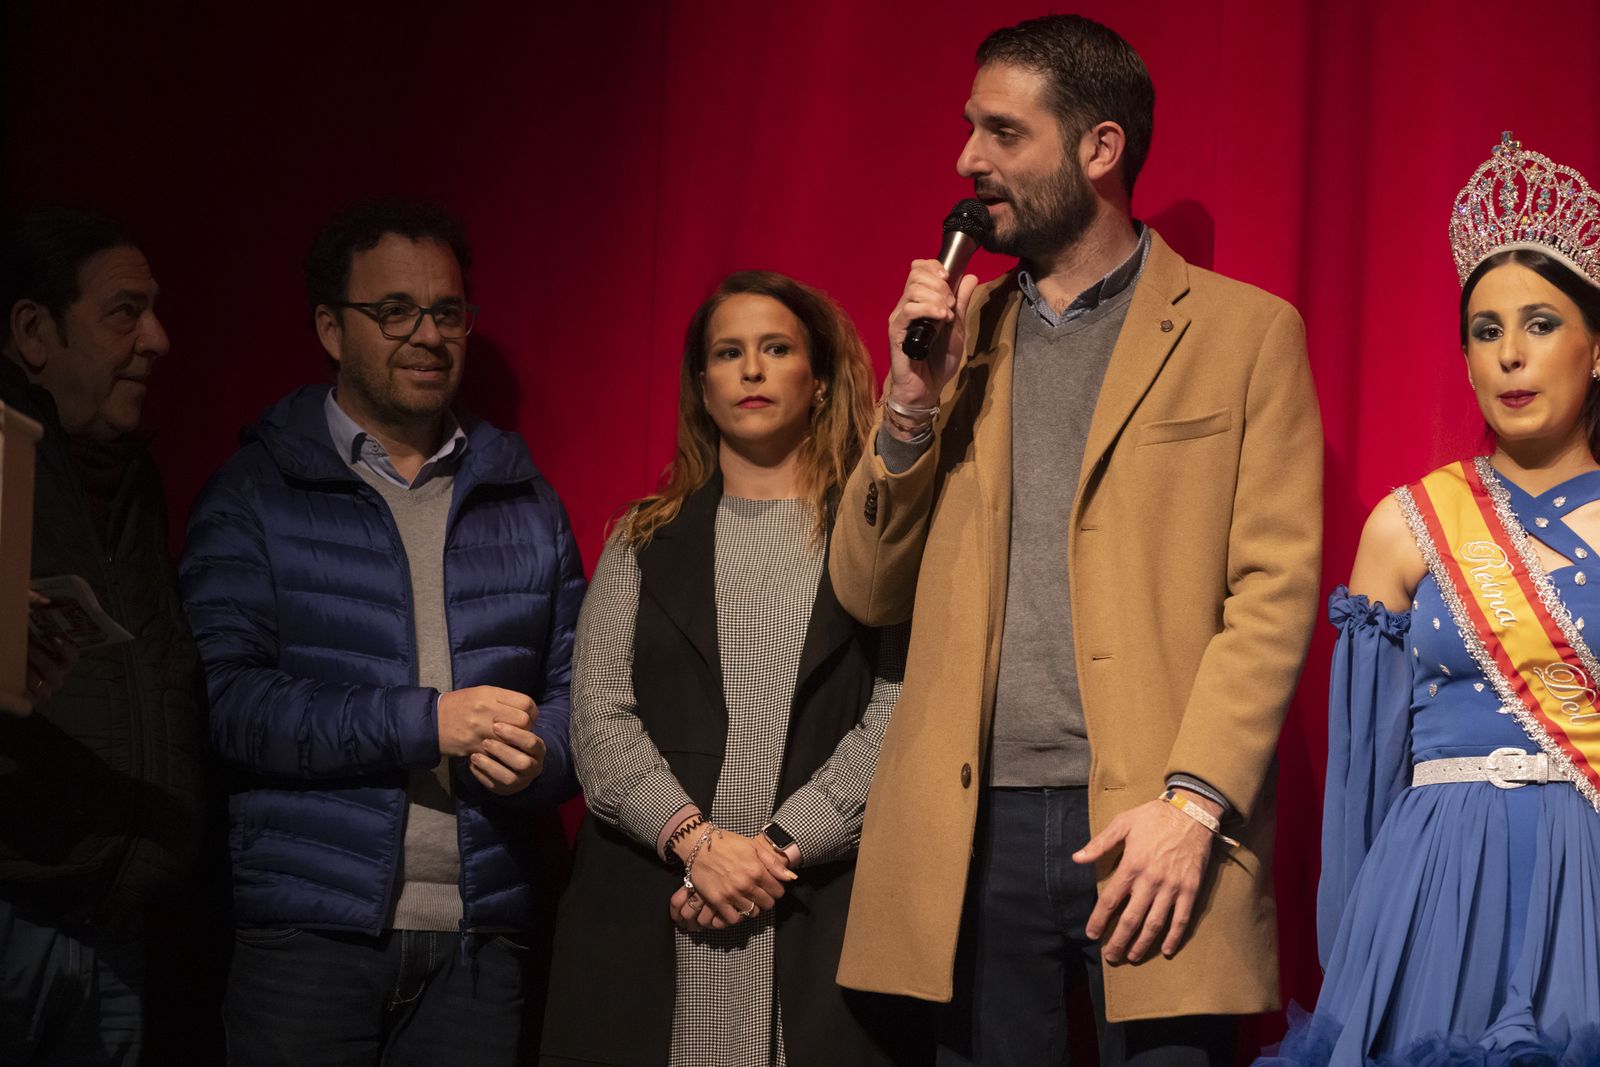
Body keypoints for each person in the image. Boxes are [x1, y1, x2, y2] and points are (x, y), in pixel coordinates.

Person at [826, 14, 1324, 1066]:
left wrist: (1194, 804)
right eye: (969, 130)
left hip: (1153, 822)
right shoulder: (963, 337)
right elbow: (868, 591)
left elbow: (1273, 589)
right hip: (972, 835)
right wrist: (909, 409)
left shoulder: (1244, 332)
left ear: (1099, 149)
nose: (968, 159)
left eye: (1003, 133)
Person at [179, 199, 584, 1065]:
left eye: (447, 312)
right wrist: (426, 721)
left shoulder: (527, 500)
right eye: (393, 310)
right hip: (308, 935)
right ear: (331, 328)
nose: (427, 335)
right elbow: (228, 702)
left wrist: (544, 754)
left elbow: (578, 700)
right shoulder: (255, 491)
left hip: (481, 942)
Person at [1262, 133, 1600, 1066]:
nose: (1511, 356)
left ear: (1597, 348)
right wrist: (1359, 941)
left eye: (1540, 323)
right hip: (1434, 884)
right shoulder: (1407, 526)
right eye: (1487, 332)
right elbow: (1364, 763)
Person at [540, 270, 924, 1067]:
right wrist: (697, 843)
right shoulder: (641, 538)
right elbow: (600, 719)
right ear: (703, 388)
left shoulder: (877, 540)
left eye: (775, 348)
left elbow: (898, 712)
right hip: (653, 913)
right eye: (728, 353)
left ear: (817, 382)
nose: (751, 369)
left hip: (822, 914)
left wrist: (773, 851)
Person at [0, 208, 204, 1064]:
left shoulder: (127, 476)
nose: (157, 338)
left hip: (114, 929)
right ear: (34, 330)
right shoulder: (3, 458)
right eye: (126, 311)